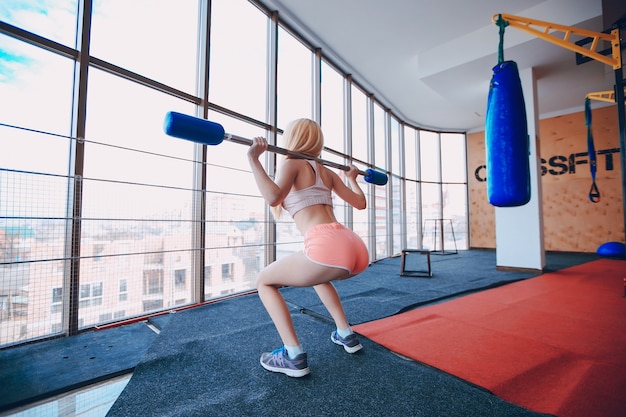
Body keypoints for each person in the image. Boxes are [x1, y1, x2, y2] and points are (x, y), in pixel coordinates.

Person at [247, 118, 369, 377]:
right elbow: (360, 203)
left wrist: (254, 159)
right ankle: (345, 333)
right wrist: (352, 178)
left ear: (291, 138)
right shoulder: (327, 172)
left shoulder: (292, 164)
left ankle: (293, 355)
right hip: (354, 247)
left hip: (328, 246)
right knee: (318, 276)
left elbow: (273, 197)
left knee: (264, 281)